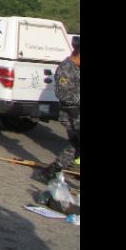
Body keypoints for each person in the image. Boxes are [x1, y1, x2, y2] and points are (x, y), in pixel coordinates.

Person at [41, 36, 80, 181]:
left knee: (75, 146)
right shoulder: (65, 68)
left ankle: (52, 171)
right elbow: (63, 94)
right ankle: (53, 171)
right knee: (76, 144)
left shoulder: (76, 68)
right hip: (71, 113)